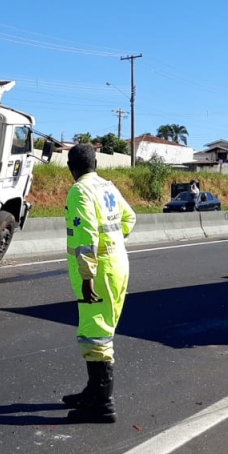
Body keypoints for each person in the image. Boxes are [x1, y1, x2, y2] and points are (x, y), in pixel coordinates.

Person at [61, 143, 137, 423]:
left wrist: (87, 276)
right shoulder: (107, 186)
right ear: (96, 163)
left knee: (95, 334)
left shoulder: (80, 190)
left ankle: (102, 405)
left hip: (100, 271)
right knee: (103, 329)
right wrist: (113, 244)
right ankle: (93, 392)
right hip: (117, 264)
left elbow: (86, 237)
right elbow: (130, 218)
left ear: (71, 167)